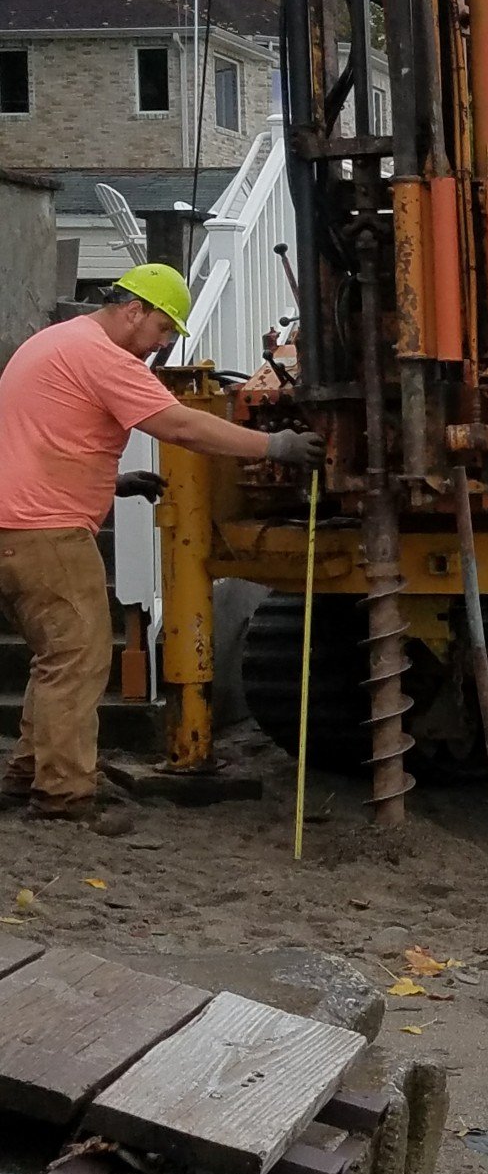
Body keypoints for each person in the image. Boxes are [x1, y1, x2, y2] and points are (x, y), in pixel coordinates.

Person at [0, 264, 323, 819]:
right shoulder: (103, 356)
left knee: (54, 659)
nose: (162, 348)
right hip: (46, 533)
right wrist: (276, 449)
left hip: (17, 527)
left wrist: (113, 483)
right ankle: (62, 797)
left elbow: (40, 434)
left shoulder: (54, 342)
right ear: (134, 312)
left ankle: (26, 774)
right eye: (163, 332)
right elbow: (180, 427)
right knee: (78, 661)